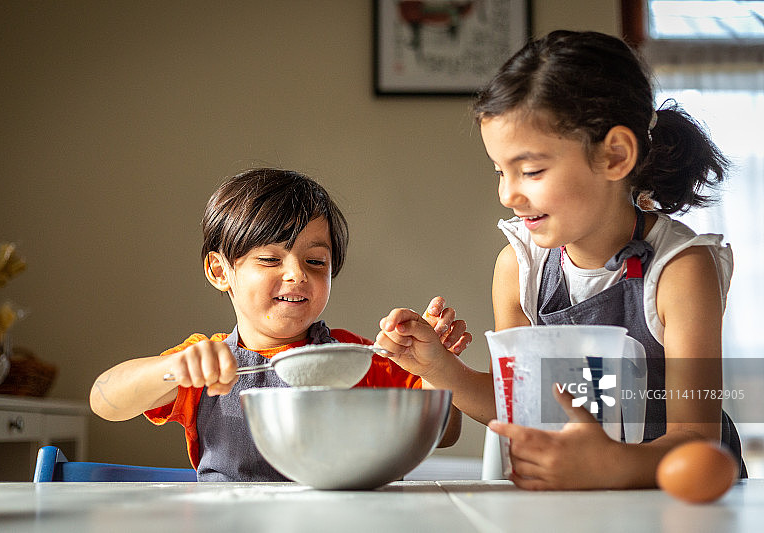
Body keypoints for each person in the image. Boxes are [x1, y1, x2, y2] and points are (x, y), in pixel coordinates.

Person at [375, 30, 746, 490]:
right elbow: (525, 406)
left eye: (530, 171)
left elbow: (698, 443)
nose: (507, 194)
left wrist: (610, 464)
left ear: (615, 156)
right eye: (500, 171)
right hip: (581, 502)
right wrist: (440, 369)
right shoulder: (519, 269)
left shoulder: (681, 270)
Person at [90, 168, 469, 482]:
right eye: (271, 259)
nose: (297, 274)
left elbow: (445, 433)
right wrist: (173, 368)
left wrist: (433, 364)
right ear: (220, 271)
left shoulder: (358, 359)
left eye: (315, 262)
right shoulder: (205, 363)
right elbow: (104, 400)